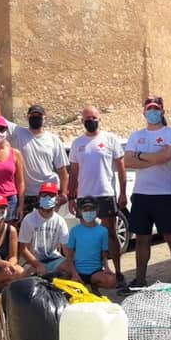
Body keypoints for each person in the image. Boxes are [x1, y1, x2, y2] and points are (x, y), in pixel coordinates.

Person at [122, 95, 171, 292]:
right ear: (144, 112)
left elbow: (167, 156)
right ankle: (140, 280)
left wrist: (140, 155)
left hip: (165, 194)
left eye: (156, 108)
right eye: (149, 108)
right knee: (142, 239)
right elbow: (128, 162)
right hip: (142, 194)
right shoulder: (136, 135)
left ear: (162, 111)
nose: (152, 112)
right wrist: (155, 158)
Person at [67, 105, 128, 285]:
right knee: (86, 235)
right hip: (85, 196)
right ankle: (88, 273)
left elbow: (121, 168)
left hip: (105, 193)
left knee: (110, 233)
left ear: (99, 118)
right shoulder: (77, 143)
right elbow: (74, 172)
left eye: (93, 118)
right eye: (87, 119)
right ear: (82, 121)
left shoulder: (110, 139)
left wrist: (123, 193)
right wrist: (71, 196)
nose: (90, 121)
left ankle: (117, 271)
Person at [0, 87, 69, 215]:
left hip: (48, 192)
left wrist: (64, 193)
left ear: (44, 118)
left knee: (48, 228)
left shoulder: (53, 139)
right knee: (25, 230)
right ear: (28, 117)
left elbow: (62, 171)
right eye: (33, 115)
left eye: (38, 115)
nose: (35, 118)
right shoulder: (17, 132)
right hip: (26, 193)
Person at [18, 182, 74, 277]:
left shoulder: (60, 221)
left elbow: (66, 249)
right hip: (32, 261)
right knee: (29, 275)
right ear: (39, 198)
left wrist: (74, 272)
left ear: (57, 199)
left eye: (51, 195)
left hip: (54, 259)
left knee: (70, 268)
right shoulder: (29, 219)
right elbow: (23, 249)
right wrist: (37, 265)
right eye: (44, 195)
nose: (48, 198)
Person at [66, 196, 117, 295]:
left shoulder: (103, 231)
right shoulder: (74, 231)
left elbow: (104, 254)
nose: (88, 212)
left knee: (112, 281)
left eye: (91, 209)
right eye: (85, 209)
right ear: (80, 212)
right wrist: (74, 274)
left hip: (96, 271)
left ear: (97, 210)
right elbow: (69, 255)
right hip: (78, 271)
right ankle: (85, 285)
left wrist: (106, 267)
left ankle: (93, 285)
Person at [0, 116, 26, 223]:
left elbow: (20, 182)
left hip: (10, 200)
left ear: (6, 131)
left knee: (8, 233)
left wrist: (20, 205)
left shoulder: (15, 153)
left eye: (2, 129)